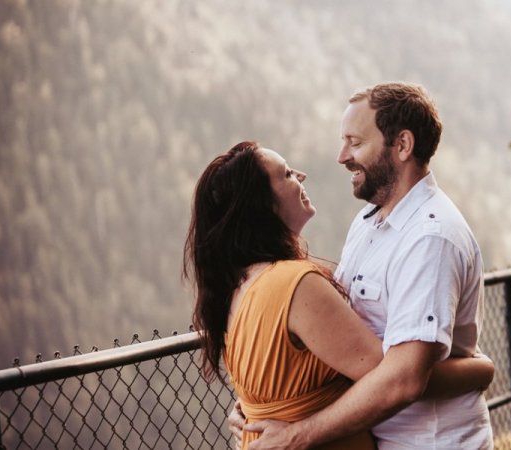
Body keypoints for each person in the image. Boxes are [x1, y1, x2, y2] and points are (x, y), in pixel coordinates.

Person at [184, 141, 494, 450]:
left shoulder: (240, 285)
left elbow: (276, 380)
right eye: (288, 174)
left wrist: (251, 407)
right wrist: (479, 370)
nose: (301, 176)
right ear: (261, 204)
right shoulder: (296, 284)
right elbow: (394, 379)